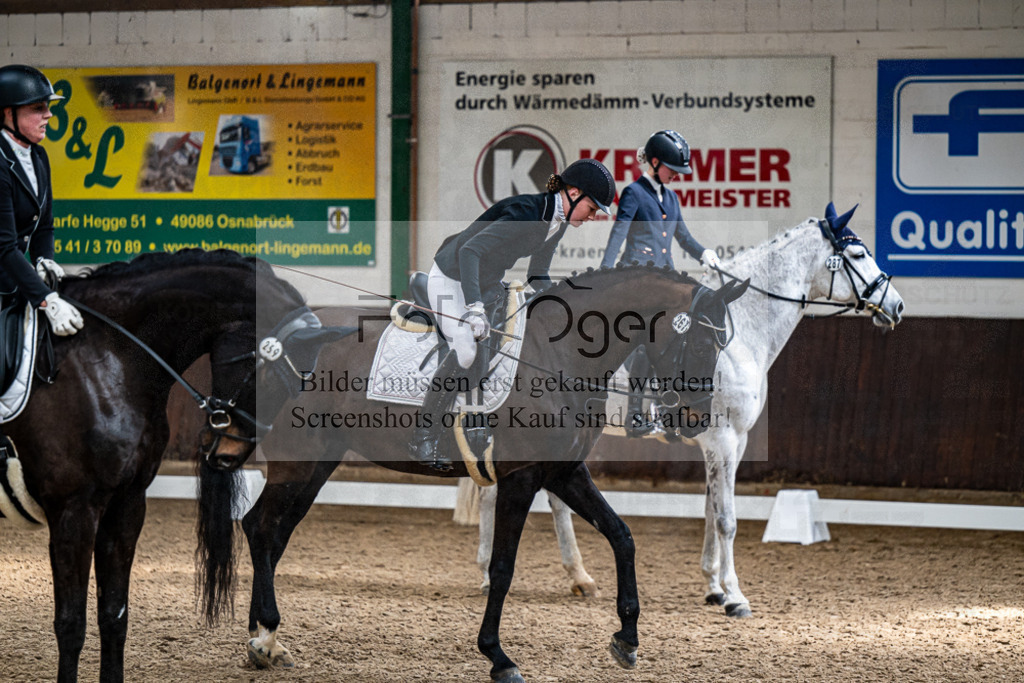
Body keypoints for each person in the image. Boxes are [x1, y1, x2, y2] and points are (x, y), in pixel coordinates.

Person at [410, 158, 616, 470]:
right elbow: (470, 252)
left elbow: (538, 274)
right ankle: (423, 433)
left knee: (502, 339)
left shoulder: (556, 223)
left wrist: (568, 303)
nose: (593, 216)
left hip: (487, 278)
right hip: (453, 275)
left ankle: (479, 420)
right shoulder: (527, 214)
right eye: (592, 207)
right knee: (467, 349)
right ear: (573, 193)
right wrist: (475, 307)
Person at [599, 130, 718, 436]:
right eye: (672, 170)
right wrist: (606, 270)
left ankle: (669, 410)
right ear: (654, 162)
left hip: (664, 280)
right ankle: (635, 414)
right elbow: (619, 233)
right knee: (648, 336)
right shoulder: (634, 193)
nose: (677, 177)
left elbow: (684, 238)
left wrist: (704, 253)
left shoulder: (673, 198)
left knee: (682, 337)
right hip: (636, 278)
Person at [0, 64, 83, 340]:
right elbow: (4, 247)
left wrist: (44, 259)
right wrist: (47, 300)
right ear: (7, 113)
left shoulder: (38, 156)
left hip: (15, 284)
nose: (48, 114)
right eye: (37, 108)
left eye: (47, 106)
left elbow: (44, 226)